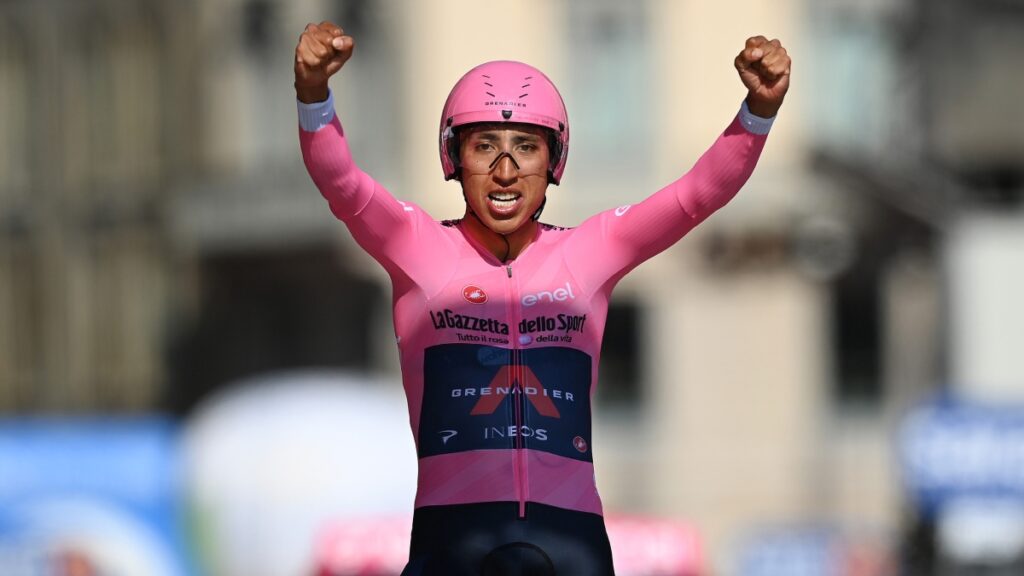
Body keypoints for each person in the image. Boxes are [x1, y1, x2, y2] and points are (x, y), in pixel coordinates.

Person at [294, 20, 790, 576]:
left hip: (570, 537)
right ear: (453, 157)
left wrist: (757, 112)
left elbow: (697, 195)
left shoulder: (593, 250)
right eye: (485, 146)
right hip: (452, 536)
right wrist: (314, 96)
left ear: (553, 160)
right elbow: (342, 183)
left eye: (525, 147)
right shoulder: (414, 244)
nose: (505, 171)